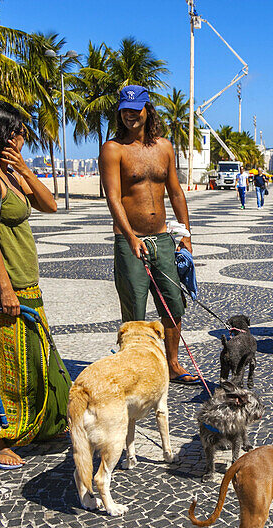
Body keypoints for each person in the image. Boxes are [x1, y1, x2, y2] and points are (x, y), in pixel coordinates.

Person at [0, 101, 70, 469]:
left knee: (38, 359)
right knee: (3, 366)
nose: (25, 138)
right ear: (4, 134)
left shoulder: (8, 172)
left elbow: (50, 205)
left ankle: (40, 425)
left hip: (27, 283)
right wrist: (5, 289)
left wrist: (24, 170)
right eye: (20, 132)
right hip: (2, 289)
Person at [99, 85, 198, 385]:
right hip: (131, 242)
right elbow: (113, 198)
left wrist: (186, 233)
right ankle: (134, 369)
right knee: (135, 311)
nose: (131, 114)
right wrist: (130, 237)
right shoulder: (113, 149)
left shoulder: (164, 148)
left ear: (147, 110)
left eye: (136, 108)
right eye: (125, 109)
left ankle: (171, 363)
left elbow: (176, 191)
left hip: (163, 239)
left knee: (173, 304)